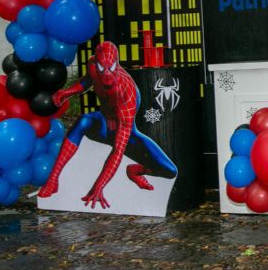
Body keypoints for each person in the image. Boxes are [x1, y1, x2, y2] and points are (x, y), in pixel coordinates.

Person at [38, 41, 177, 209]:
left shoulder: (126, 91)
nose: (106, 75)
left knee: (170, 171)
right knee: (84, 120)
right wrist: (66, 93)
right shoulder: (92, 65)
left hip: (127, 135)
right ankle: (53, 179)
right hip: (103, 126)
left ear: (116, 65)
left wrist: (99, 186)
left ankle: (135, 171)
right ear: (96, 63)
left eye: (110, 68)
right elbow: (87, 81)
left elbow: (118, 150)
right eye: (102, 69)